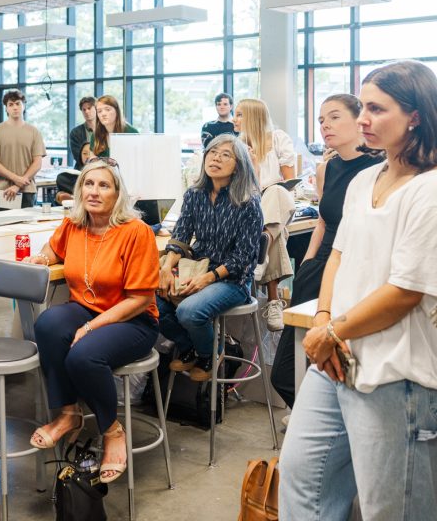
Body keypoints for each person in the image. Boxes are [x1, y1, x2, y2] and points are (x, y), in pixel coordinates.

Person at [280, 60, 437, 520]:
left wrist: (332, 332)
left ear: (415, 115)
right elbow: (338, 255)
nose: (362, 118)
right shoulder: (364, 178)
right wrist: (324, 322)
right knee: (302, 479)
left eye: (376, 108)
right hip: (336, 357)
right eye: (362, 106)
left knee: (389, 506)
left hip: (394, 370)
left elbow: (405, 291)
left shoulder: (429, 190)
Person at [27, 158, 159, 483]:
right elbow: (53, 247)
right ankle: (68, 414)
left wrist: (90, 327)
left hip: (134, 319)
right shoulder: (75, 225)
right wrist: (44, 257)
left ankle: (112, 430)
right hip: (87, 308)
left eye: (104, 185)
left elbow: (140, 299)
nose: (94, 192)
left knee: (83, 356)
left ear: (118, 194)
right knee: (46, 326)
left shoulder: (135, 232)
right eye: (88, 184)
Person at [270, 94, 383, 409]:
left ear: (360, 120)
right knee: (285, 373)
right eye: (321, 120)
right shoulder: (327, 168)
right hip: (319, 269)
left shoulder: (381, 170)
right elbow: (322, 220)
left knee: (341, 365)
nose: (325, 126)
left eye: (334, 117)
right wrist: (306, 264)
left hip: (356, 275)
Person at [156, 134, 263, 380]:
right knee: (150, 304)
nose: (216, 157)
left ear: (239, 165)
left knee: (189, 312)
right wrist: (166, 268)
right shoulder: (195, 194)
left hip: (232, 280)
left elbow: (244, 258)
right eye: (213, 152)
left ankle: (211, 353)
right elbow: (181, 236)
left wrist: (208, 278)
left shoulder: (248, 201)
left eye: (226, 155)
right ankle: (190, 347)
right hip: (196, 268)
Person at [233, 97, 296, 330]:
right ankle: (274, 300)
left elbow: (291, 182)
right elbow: (239, 191)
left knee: (277, 192)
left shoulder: (279, 139)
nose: (234, 119)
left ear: (252, 116)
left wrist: (274, 186)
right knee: (274, 230)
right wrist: (254, 167)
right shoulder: (236, 146)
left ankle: (264, 242)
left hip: (278, 201)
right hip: (251, 208)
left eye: (239, 114)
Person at [0, 89, 46, 211]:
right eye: (11, 104)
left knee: (25, 229)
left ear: (23, 106)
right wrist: (16, 179)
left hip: (27, 191)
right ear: (6, 108)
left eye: (18, 103)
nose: (15, 107)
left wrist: (18, 185)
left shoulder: (34, 132)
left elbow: (37, 163)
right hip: (1, 191)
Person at [69, 96, 97, 170]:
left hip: (104, 171)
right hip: (82, 171)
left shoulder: (106, 130)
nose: (86, 112)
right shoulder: (75, 132)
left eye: (89, 108)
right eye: (84, 110)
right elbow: (79, 157)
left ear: (96, 109)